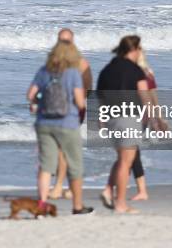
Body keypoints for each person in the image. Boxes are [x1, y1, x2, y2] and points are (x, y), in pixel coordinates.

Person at [27, 41, 94, 215]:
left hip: (44, 122)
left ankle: (41, 204)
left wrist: (39, 103)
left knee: (46, 166)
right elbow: (80, 102)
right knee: (75, 165)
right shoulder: (73, 74)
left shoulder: (43, 71)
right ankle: (77, 206)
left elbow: (30, 95)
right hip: (67, 123)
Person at [97, 35, 151, 213]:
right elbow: (144, 95)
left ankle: (107, 190)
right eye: (139, 49)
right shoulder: (136, 70)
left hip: (111, 118)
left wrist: (101, 117)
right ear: (134, 50)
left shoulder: (106, 69)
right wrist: (152, 116)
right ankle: (120, 203)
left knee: (122, 159)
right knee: (126, 162)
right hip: (128, 117)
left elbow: (100, 96)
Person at [49, 28, 92, 200]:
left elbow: (88, 90)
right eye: (61, 40)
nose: (63, 44)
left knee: (62, 148)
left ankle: (59, 186)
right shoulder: (54, 61)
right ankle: (66, 186)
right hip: (56, 108)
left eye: (66, 41)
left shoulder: (81, 63)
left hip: (73, 109)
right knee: (61, 149)